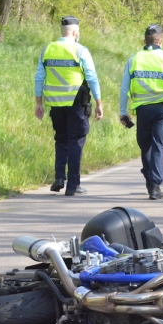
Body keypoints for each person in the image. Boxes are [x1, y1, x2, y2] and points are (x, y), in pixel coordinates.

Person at [34, 16, 103, 196]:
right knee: (76, 141)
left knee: (61, 139)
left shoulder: (47, 49)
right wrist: (98, 102)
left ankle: (58, 178)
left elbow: (39, 78)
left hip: (55, 103)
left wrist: (39, 103)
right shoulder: (80, 50)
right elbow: (92, 77)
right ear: (75, 32)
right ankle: (73, 185)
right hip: (75, 102)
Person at [119, 24, 163, 200]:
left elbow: (124, 88)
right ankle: (155, 185)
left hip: (142, 110)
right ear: (161, 41)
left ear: (144, 41)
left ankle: (151, 181)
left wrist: (122, 111)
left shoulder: (133, 59)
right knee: (158, 145)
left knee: (146, 145)